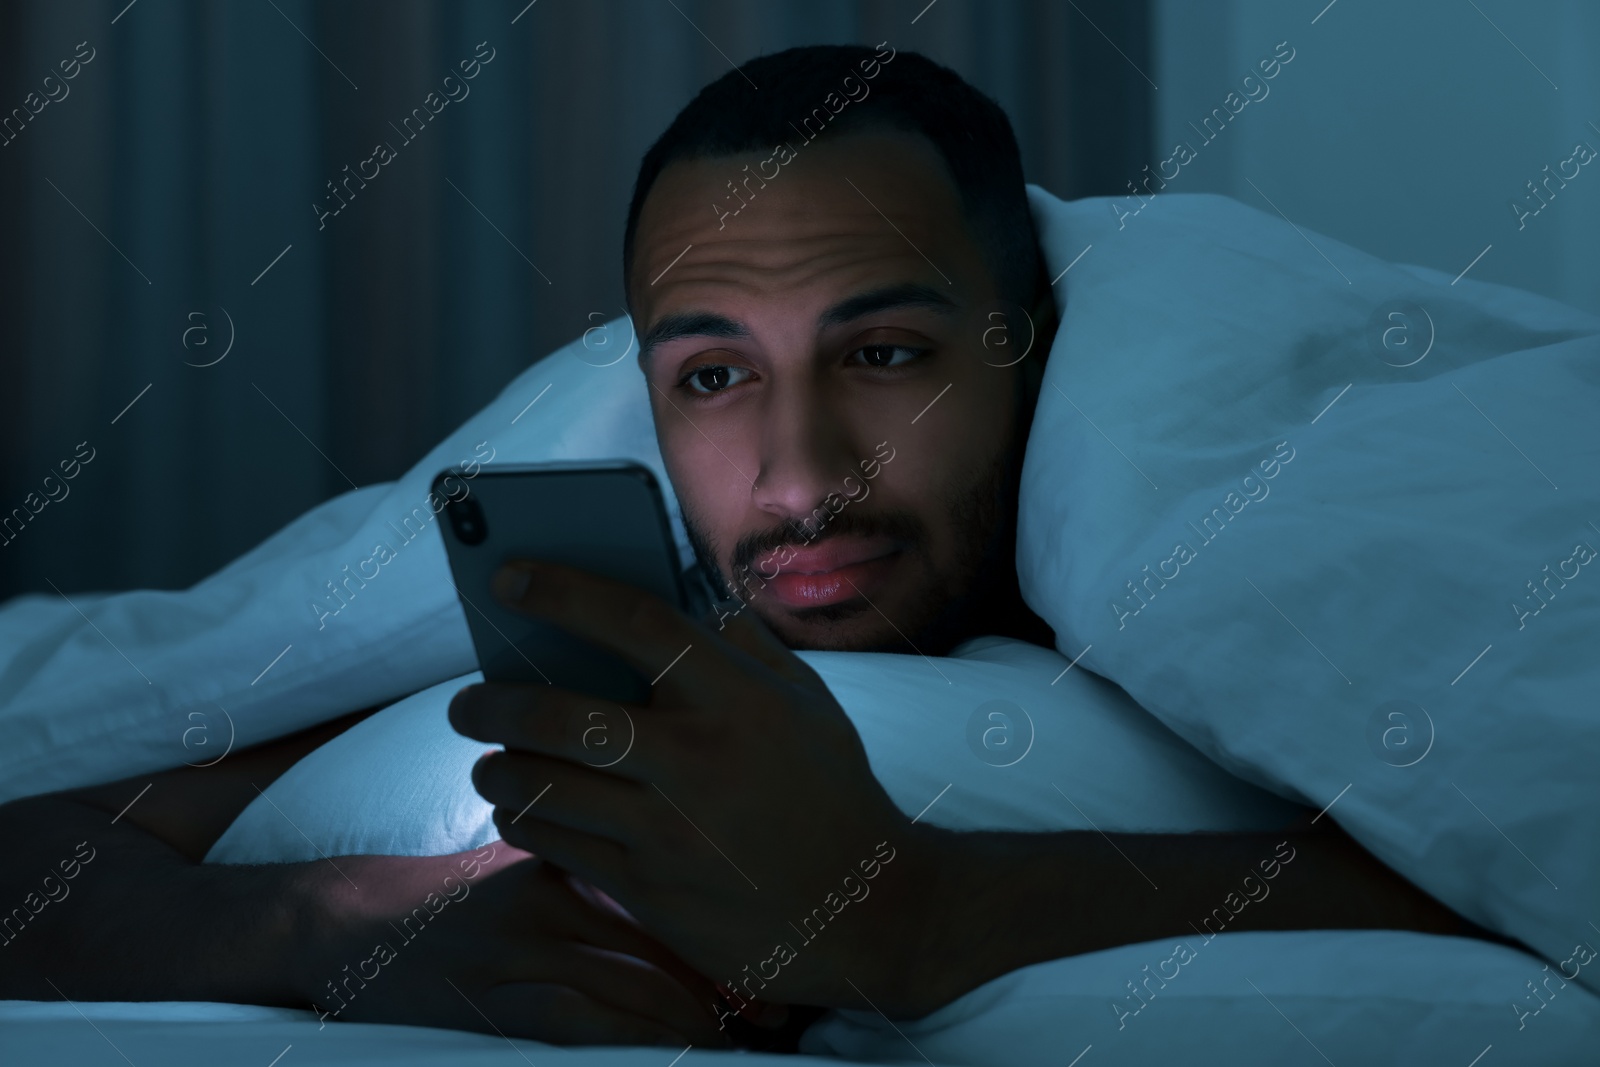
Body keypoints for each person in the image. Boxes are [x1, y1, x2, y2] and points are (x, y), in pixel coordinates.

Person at [0, 45, 1470, 1049]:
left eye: (885, 354)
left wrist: (917, 909)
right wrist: (325, 921)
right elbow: (43, 843)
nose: (799, 479)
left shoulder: (1217, 621)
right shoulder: (644, 637)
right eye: (711, 376)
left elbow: (1514, 867)